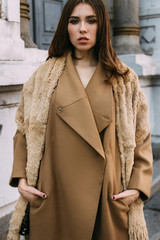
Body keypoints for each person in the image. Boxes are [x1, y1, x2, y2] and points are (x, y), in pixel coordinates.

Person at [8, 0, 153, 239]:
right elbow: (24, 129)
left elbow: (141, 136)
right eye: (74, 21)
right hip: (53, 196)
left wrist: (137, 187)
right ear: (65, 26)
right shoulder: (44, 76)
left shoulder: (124, 78)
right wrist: (22, 181)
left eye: (91, 21)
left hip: (107, 200)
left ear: (102, 25)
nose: (82, 28)